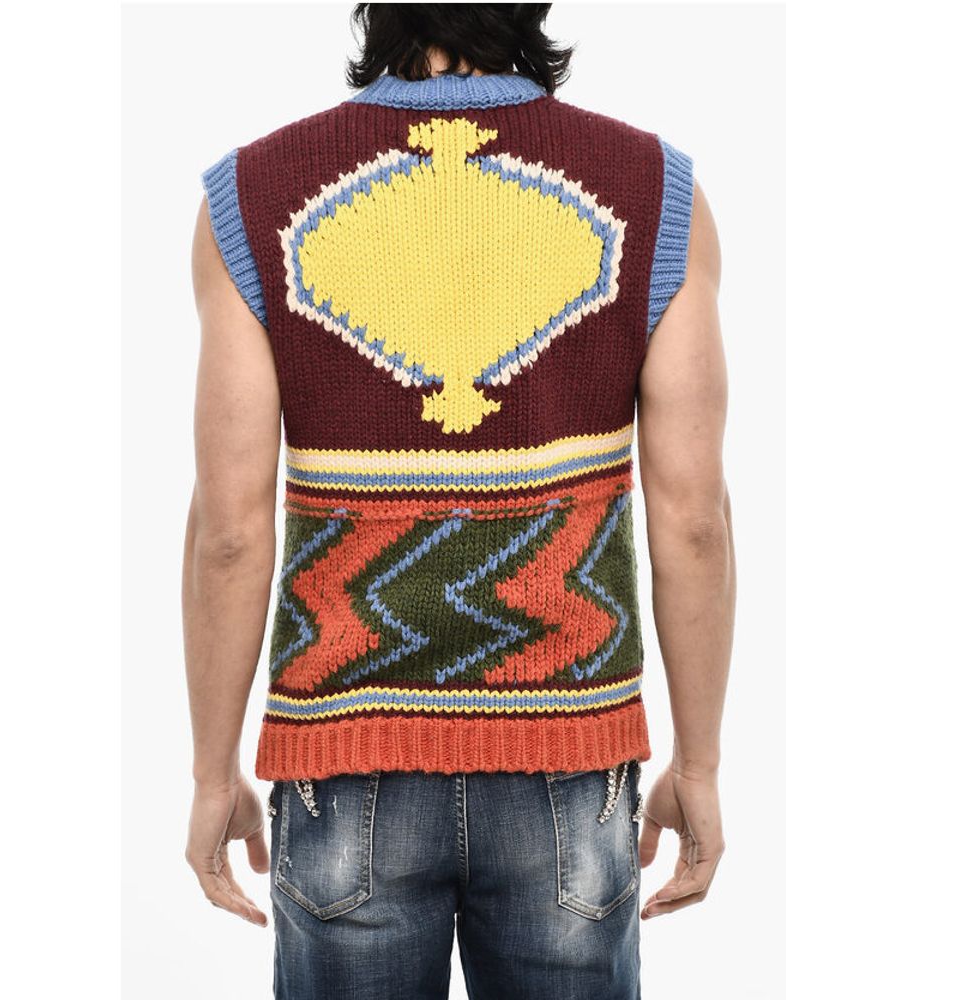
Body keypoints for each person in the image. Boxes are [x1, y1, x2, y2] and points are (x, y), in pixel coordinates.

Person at [183, 4, 735, 997]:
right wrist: (697, 766)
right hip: (571, 757)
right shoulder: (656, 191)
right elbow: (693, 519)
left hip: (344, 754)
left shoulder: (255, 195)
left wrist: (211, 772)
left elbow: (228, 530)